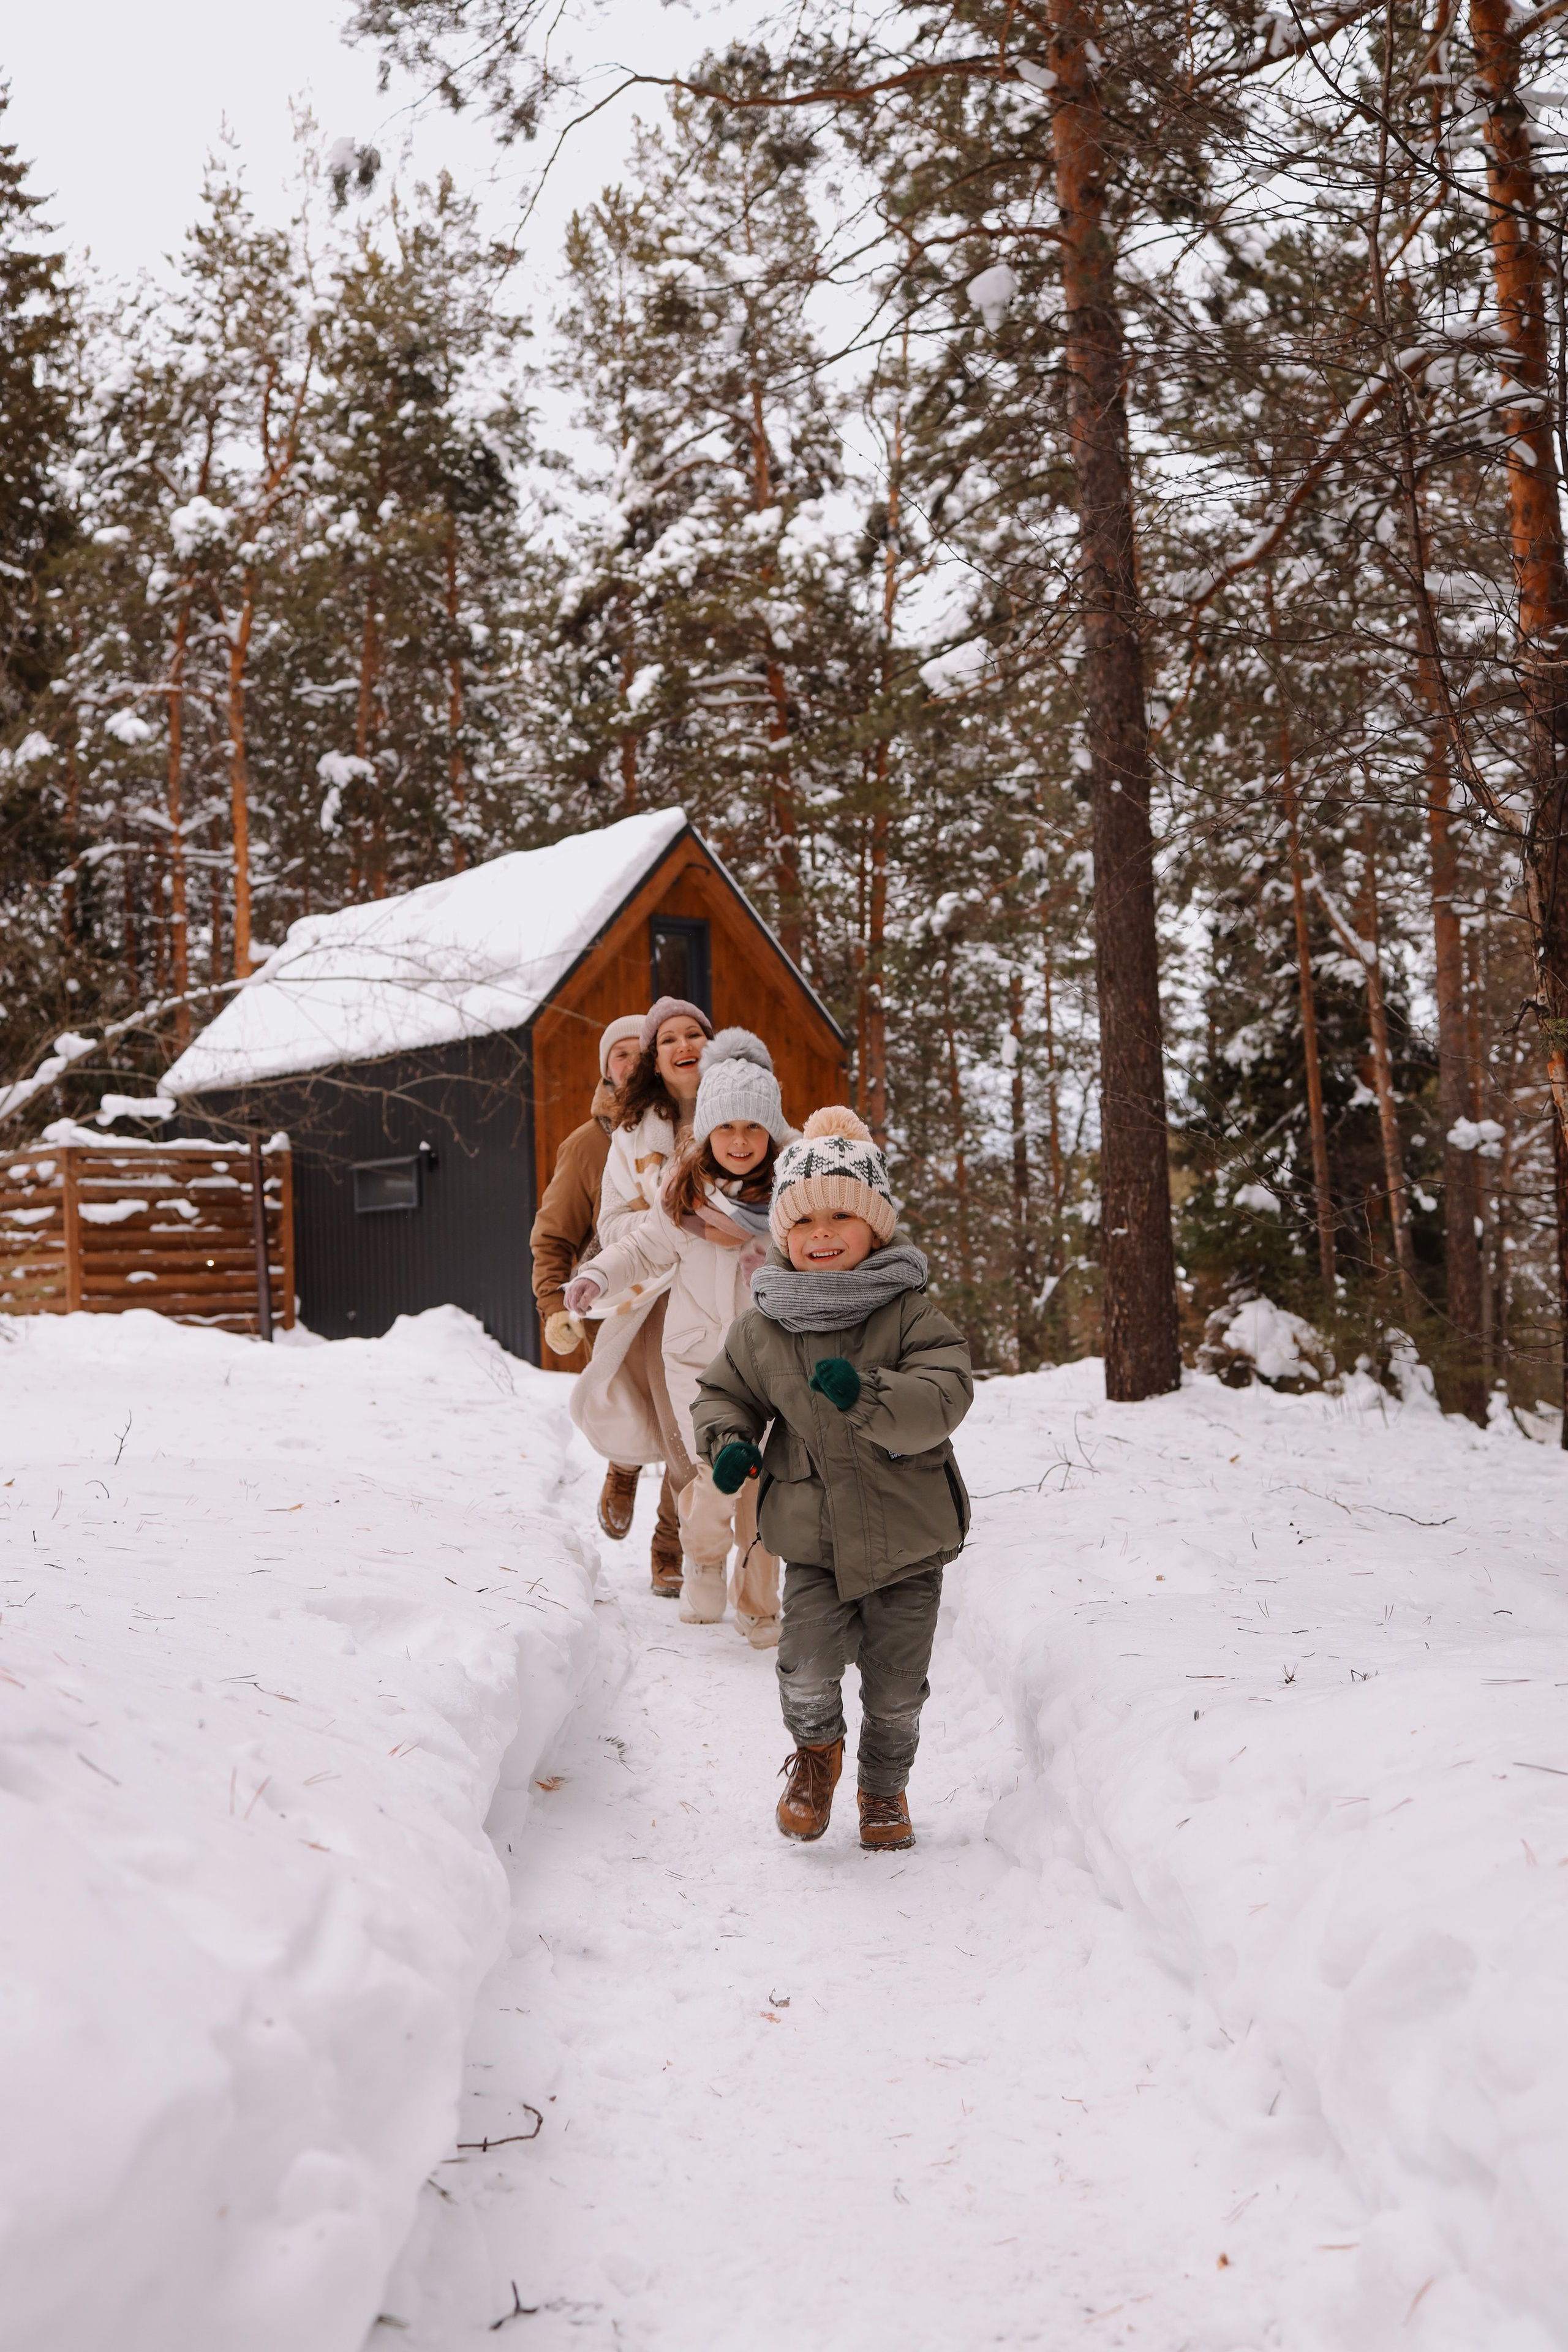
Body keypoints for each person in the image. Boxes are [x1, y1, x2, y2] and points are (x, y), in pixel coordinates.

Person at [690, 1107, 973, 1852]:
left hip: (908, 1540)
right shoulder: (762, 1327)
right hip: (812, 1539)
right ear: (783, 1234)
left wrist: (870, 1396)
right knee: (806, 1666)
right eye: (805, 1218)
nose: (822, 1232)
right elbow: (725, 1395)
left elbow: (946, 1396)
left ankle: (883, 1790)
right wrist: (729, 1442)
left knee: (896, 1689)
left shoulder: (911, 1312)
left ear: (875, 1227)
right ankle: (816, 1759)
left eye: (842, 1214)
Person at [564, 1030, 794, 1646]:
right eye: (727, 1128)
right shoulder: (681, 1198)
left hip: (769, 1366)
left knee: (761, 1489)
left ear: (772, 1133)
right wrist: (593, 1275)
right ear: (708, 1133)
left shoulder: (791, 1204)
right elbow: (640, 1249)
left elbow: (828, 1262)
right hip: (700, 1366)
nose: (741, 1142)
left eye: (754, 1129)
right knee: (710, 1482)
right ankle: (702, 1560)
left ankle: (758, 1603)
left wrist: (772, 1273)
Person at [528, 1014, 682, 1574]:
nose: (632, 1061)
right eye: (619, 1053)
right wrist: (552, 1308)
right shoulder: (589, 1145)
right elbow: (552, 1237)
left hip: (684, 1301)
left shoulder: (691, 1127)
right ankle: (623, 1467)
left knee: (683, 1427)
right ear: (606, 1069)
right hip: (613, 1306)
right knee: (632, 1412)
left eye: (640, 1050)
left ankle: (671, 1544)